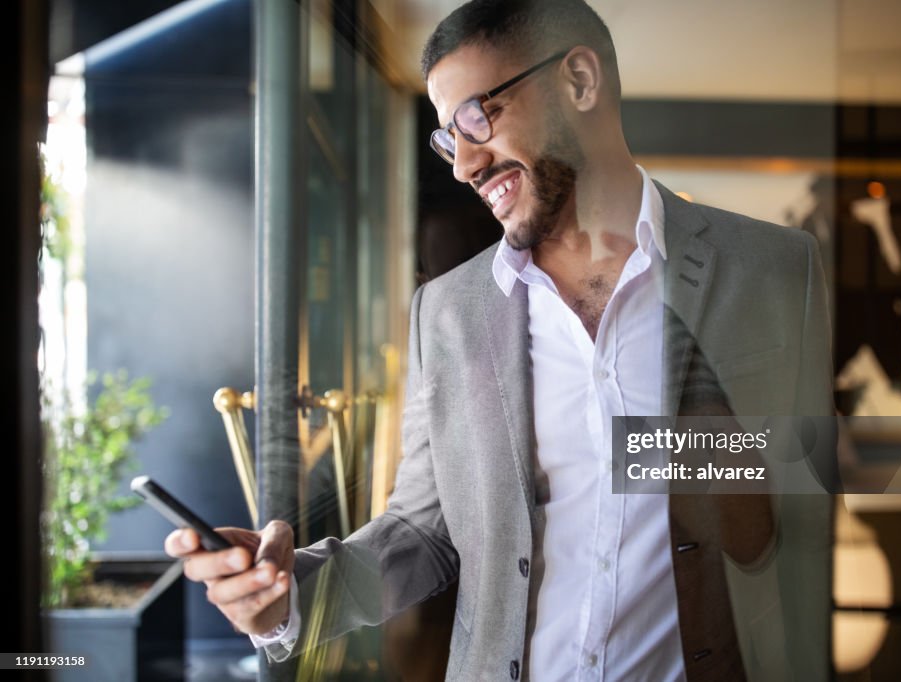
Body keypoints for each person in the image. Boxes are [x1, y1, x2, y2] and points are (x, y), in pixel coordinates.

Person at [165, 1, 836, 679]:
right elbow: (424, 533)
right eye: (447, 139)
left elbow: (801, 518)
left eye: (477, 118)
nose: (463, 164)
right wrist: (287, 598)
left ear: (578, 80)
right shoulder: (447, 313)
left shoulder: (773, 271)